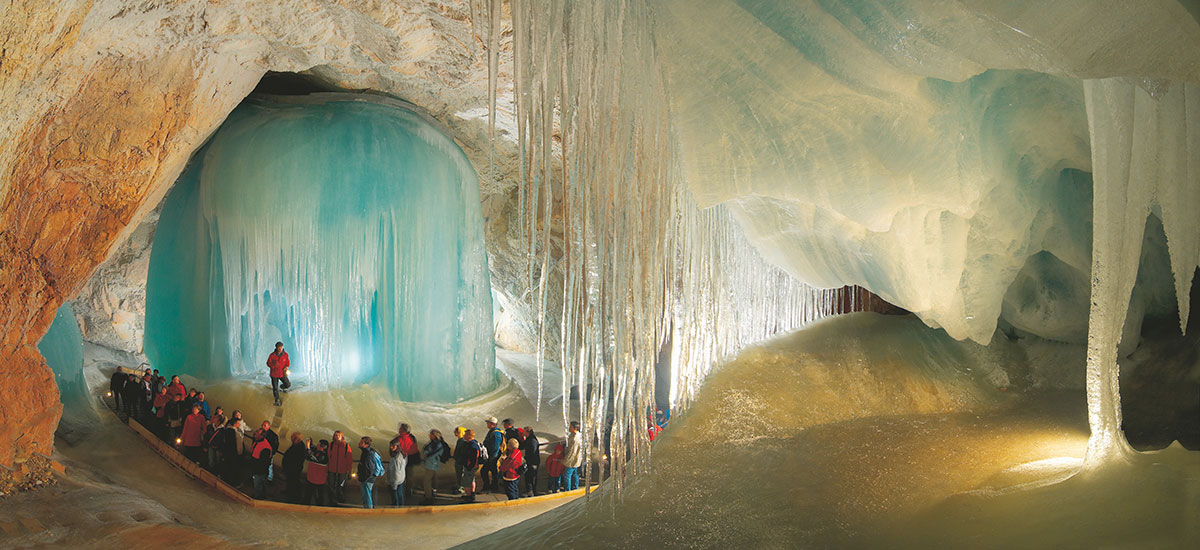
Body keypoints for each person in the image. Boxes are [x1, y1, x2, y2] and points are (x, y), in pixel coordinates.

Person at [420, 429, 448, 504]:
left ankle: (428, 497)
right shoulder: (434, 443)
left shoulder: (437, 444)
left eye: (431, 434)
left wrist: (426, 454)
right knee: (433, 478)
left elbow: (431, 454)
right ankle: (433, 492)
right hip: (434, 464)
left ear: (434, 435)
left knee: (426, 481)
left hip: (432, 464)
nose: (429, 435)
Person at [455, 429, 482, 503]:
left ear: (469, 436)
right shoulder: (474, 443)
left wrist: (469, 466)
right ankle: (472, 494)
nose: (463, 436)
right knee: (471, 480)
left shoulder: (472, 446)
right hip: (473, 466)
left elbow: (474, 458)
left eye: (465, 434)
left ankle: (468, 496)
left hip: (470, 466)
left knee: (467, 482)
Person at [327, 430, 354, 504]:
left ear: (342, 436)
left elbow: (349, 459)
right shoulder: (331, 445)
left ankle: (340, 497)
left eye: (339, 435)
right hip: (332, 468)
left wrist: (349, 470)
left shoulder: (346, 446)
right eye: (336, 435)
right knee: (331, 484)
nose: (337, 437)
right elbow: (328, 457)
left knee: (340, 485)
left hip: (342, 469)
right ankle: (332, 499)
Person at [357, 436, 383, 509]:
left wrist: (363, 479)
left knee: (367, 495)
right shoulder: (368, 452)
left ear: (366, 444)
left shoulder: (368, 454)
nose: (359, 443)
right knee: (366, 495)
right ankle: (368, 508)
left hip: (367, 479)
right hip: (368, 478)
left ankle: (368, 510)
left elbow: (369, 469)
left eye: (361, 442)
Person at [282, 432, 308, 503]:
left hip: (294, 469)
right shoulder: (296, 445)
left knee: (294, 482)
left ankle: (294, 498)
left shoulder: (300, 447)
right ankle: (291, 494)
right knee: (291, 482)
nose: (291, 439)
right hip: (291, 468)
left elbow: (296, 459)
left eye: (293, 438)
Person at [304, 439, 330, 506]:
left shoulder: (323, 457)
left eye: (318, 444)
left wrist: (307, 447)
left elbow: (310, 457)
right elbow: (314, 448)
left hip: (318, 481)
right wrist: (311, 443)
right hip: (312, 478)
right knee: (308, 495)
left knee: (318, 497)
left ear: (322, 447)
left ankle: (319, 507)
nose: (316, 446)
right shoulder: (319, 452)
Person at [249, 429, 273, 499]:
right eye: (256, 431)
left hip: (259, 471)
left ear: (262, 436)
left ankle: (258, 498)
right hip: (255, 468)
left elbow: (264, 462)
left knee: (258, 485)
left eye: (257, 433)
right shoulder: (257, 441)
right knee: (257, 485)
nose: (255, 433)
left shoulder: (265, 447)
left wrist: (257, 471)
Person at [481, 417, 503, 492]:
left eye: (488, 423)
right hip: (492, 456)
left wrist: (491, 458)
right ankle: (493, 487)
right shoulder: (492, 431)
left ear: (492, 424)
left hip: (492, 456)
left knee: (484, 471)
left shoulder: (496, 433)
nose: (487, 424)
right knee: (493, 471)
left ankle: (488, 487)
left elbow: (495, 447)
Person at [266, 341, 291, 406]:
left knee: (288, 384)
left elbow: (287, 363)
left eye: (281, 347)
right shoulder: (272, 355)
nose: (280, 349)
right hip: (274, 374)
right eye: (279, 348)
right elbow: (268, 363)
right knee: (275, 388)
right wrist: (274, 365)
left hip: (282, 373)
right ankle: (277, 400)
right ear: (276, 348)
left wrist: (286, 367)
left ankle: (282, 387)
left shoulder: (285, 355)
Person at [386, 436, 407, 507]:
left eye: (393, 446)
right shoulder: (401, 455)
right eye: (391, 446)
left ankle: (397, 510)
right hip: (400, 479)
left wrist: (393, 484)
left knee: (395, 498)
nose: (391, 447)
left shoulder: (396, 458)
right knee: (400, 496)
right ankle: (401, 509)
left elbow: (396, 471)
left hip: (395, 481)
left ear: (397, 446)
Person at [562, 421, 583, 491]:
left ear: (575, 428)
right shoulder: (578, 435)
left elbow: (572, 452)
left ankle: (567, 490)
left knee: (567, 476)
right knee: (575, 475)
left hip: (572, 461)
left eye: (570, 427)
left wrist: (565, 460)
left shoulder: (575, 439)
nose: (569, 428)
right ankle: (575, 488)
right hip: (577, 460)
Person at [521, 427, 541, 496]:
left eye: (524, 432)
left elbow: (533, 452)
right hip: (532, 461)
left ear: (527, 432)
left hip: (532, 462)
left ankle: (530, 491)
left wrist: (529, 461)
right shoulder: (530, 439)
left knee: (530, 477)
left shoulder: (532, 441)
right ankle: (531, 490)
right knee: (530, 476)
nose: (523, 433)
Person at [451, 427, 467, 494]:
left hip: (460, 462)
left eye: (456, 432)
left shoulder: (462, 441)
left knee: (461, 475)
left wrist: (455, 457)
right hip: (459, 461)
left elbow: (461, 452)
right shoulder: (461, 440)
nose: (455, 433)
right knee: (459, 474)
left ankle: (461, 488)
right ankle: (459, 486)